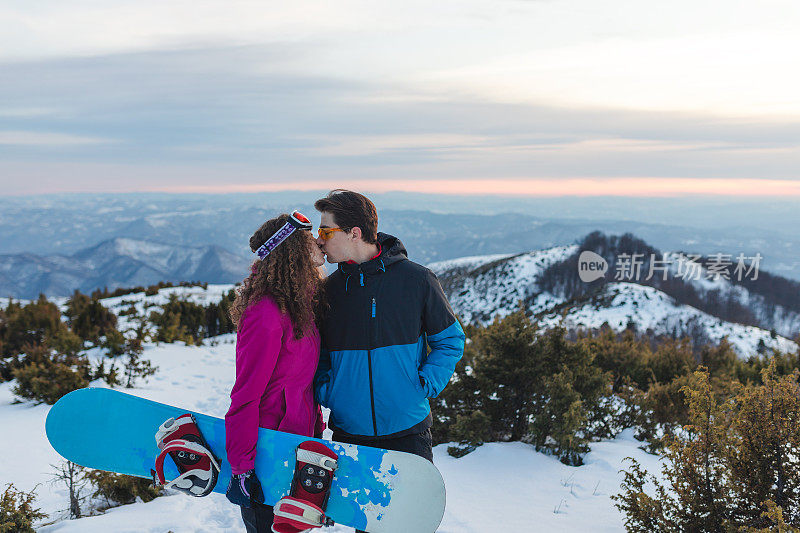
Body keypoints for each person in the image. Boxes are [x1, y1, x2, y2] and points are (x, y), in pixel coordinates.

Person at [313, 190, 465, 472]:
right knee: (355, 517)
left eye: (325, 230)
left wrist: (423, 385)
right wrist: (329, 391)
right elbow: (318, 353)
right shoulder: (328, 292)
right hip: (349, 434)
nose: (319, 239)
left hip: (409, 432)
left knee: (414, 515)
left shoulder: (416, 280)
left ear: (354, 233)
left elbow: (450, 340)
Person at [224, 211, 326, 533]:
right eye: (310, 239)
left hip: (296, 445)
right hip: (267, 451)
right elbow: (246, 393)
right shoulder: (265, 313)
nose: (319, 243)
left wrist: (316, 431)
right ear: (293, 249)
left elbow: (300, 384)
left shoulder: (300, 304)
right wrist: (242, 468)